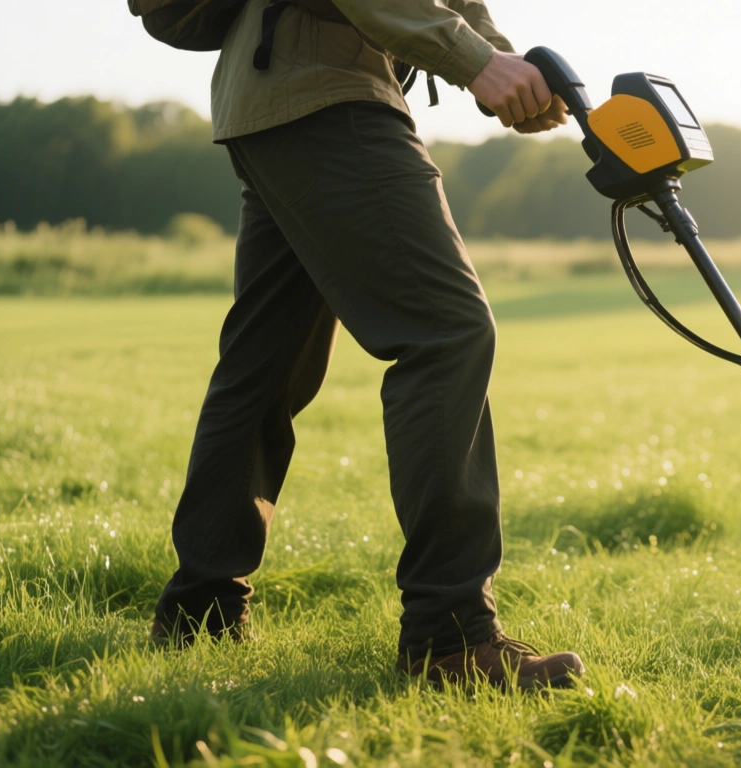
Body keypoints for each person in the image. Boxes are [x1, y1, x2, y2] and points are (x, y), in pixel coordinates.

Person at [149, 0, 585, 691]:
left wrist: (512, 64)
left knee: (263, 368)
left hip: (276, 98)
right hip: (326, 93)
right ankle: (450, 640)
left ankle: (199, 612)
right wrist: (477, 64)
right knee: (446, 332)